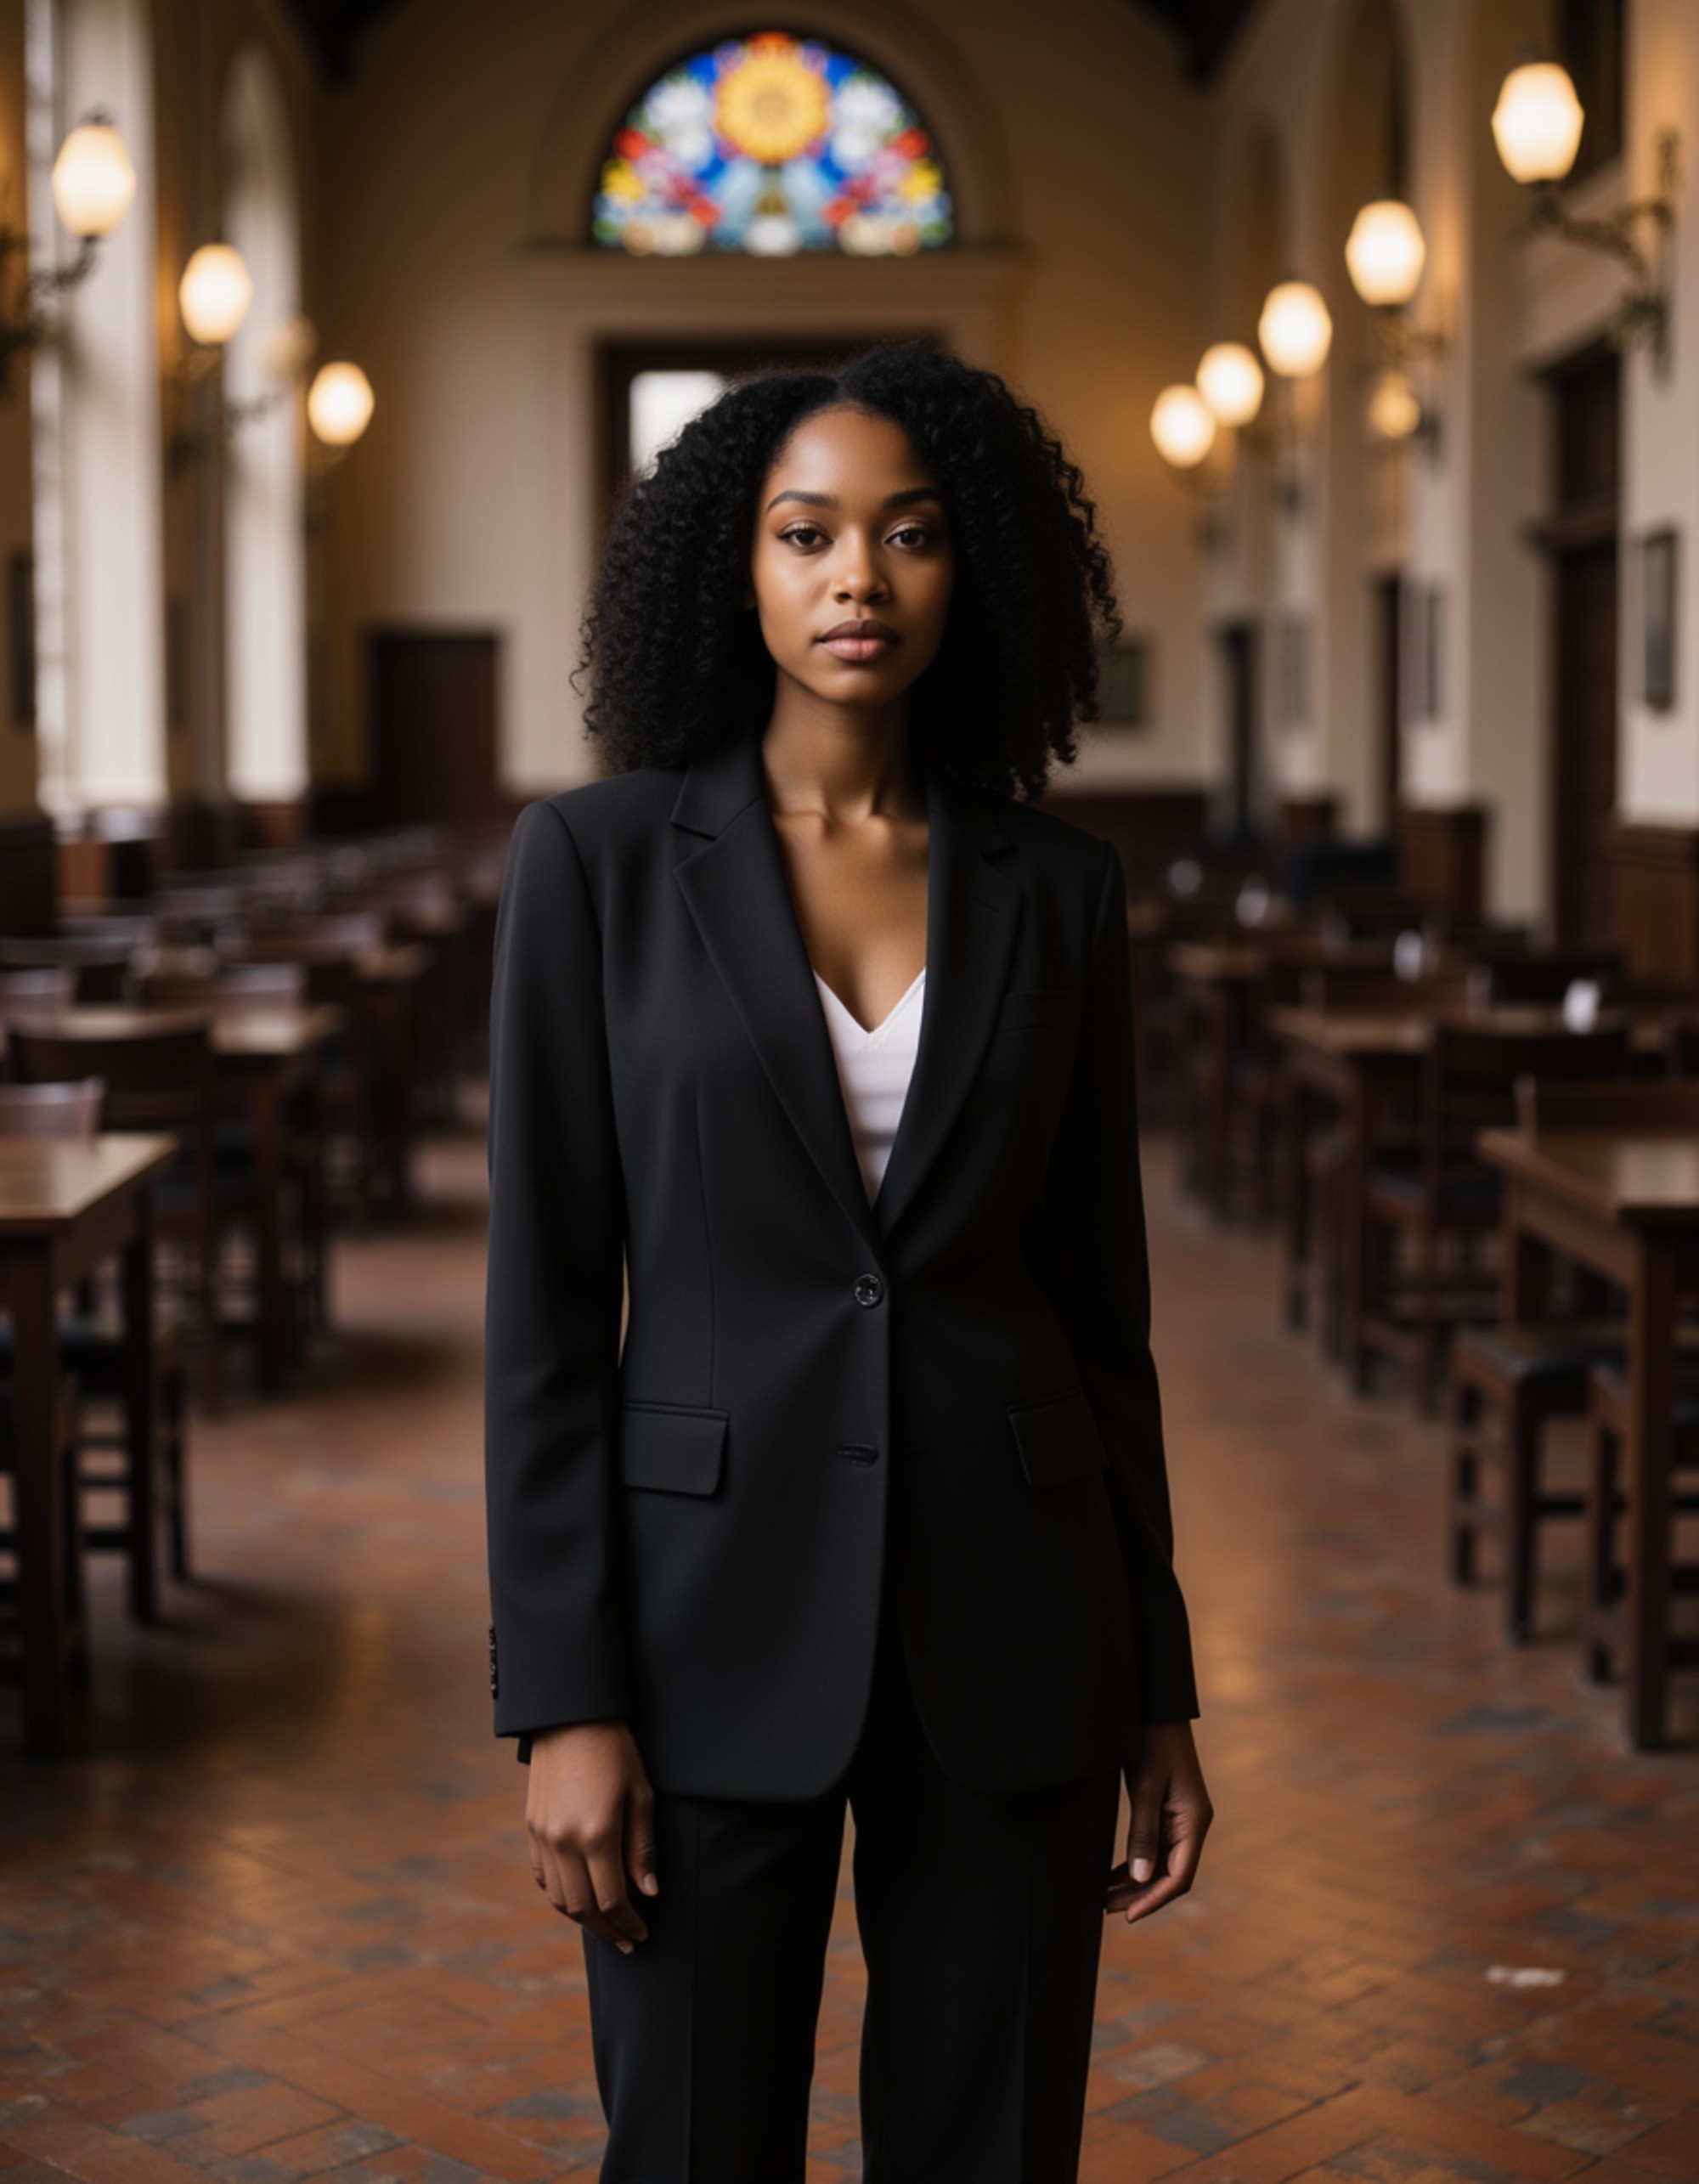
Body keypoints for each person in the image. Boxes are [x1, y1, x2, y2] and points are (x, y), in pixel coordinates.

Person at [483, 340, 1211, 2184]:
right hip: (701, 1621)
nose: (856, 580)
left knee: (990, 2147)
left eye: (909, 535)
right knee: (695, 2142)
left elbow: (1098, 1309)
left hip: (1017, 1615)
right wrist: (561, 1692)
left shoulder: (1057, 885)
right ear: (735, 569)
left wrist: (1156, 1681)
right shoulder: (595, 864)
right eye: (805, 534)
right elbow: (546, 1319)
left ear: (982, 574)